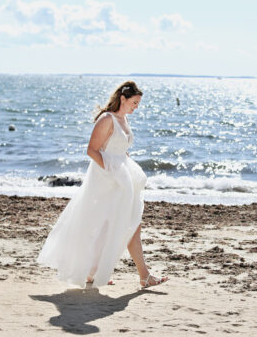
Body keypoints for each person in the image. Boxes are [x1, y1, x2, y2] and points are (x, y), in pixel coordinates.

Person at [36, 81, 168, 289]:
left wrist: (127, 171)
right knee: (110, 225)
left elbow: (120, 149)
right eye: (134, 102)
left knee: (126, 224)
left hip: (122, 180)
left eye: (138, 104)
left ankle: (109, 273)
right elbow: (92, 150)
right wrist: (114, 173)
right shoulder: (107, 119)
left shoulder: (124, 119)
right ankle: (139, 275)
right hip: (107, 180)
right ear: (123, 99)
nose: (136, 107)